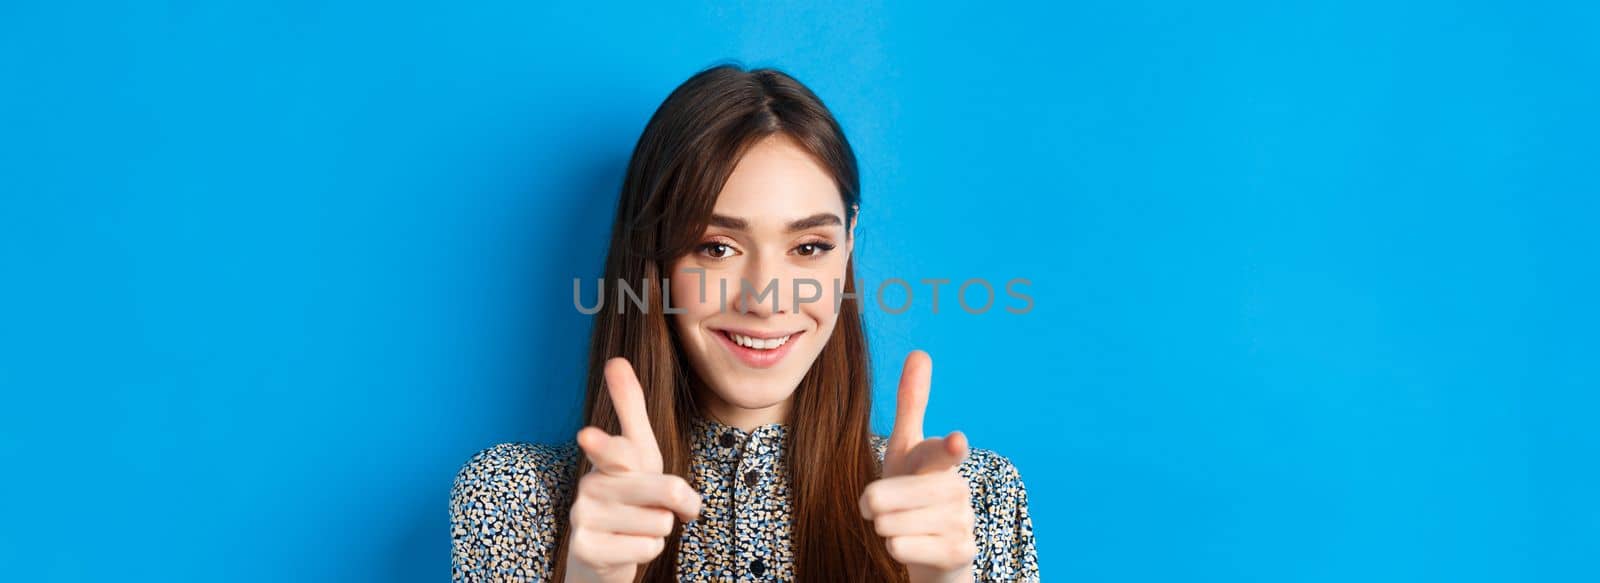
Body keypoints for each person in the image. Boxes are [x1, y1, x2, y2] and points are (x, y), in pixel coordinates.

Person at [450, 63, 1039, 582]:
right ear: (655, 255)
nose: (765, 300)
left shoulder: (974, 503)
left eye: (809, 247)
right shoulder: (515, 498)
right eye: (716, 247)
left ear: (849, 243)